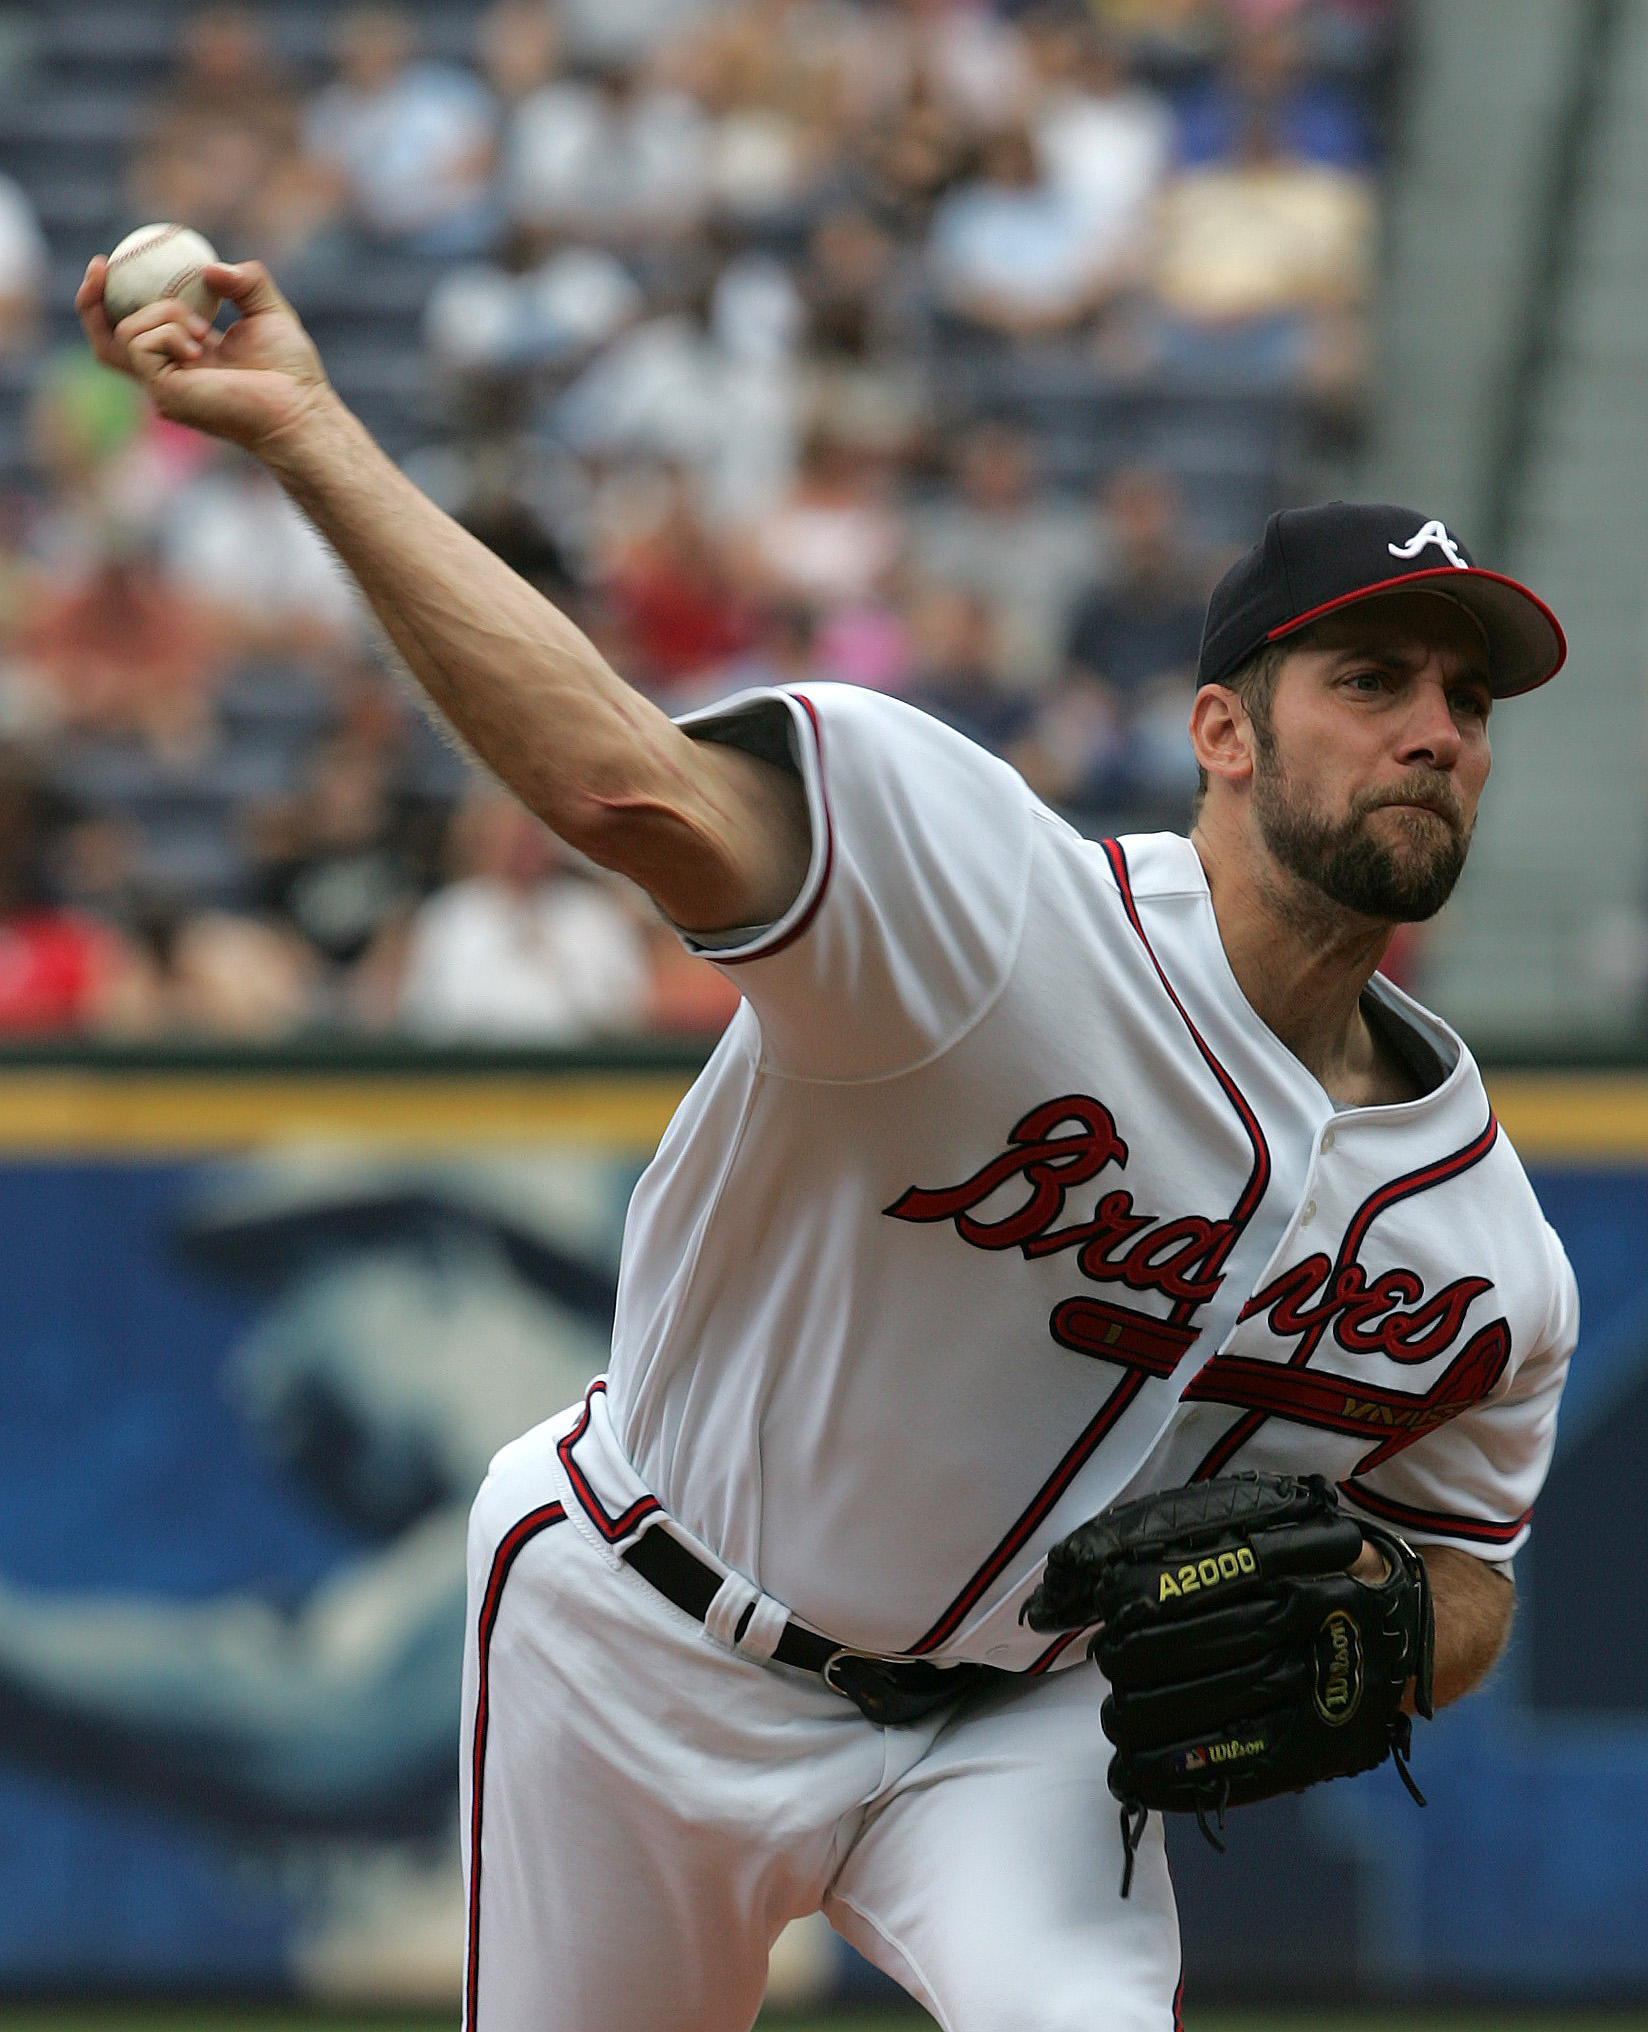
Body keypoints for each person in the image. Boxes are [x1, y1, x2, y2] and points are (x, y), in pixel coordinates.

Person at [79, 256, 1579, 2031]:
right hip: (637, 1634)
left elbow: (1465, 1560)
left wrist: (1399, 1629)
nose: (1433, 731)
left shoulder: (1483, 1252)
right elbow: (616, 784)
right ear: (1224, 732)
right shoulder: (987, 911)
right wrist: (312, 431)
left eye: (1467, 706)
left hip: (1021, 1727)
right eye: (1374, 678)